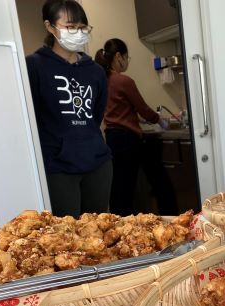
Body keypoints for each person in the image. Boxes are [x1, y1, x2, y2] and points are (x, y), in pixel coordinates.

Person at [26, 0, 111, 218]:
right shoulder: (34, 65)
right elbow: (31, 117)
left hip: (97, 162)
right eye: (70, 27)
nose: (78, 33)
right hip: (58, 166)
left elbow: (95, 115)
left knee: (97, 230)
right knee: (66, 233)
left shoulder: (96, 71)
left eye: (82, 27)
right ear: (50, 26)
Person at [95, 38, 170, 216]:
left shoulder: (102, 80)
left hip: (112, 138)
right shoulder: (123, 81)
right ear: (118, 56)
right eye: (127, 57)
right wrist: (160, 121)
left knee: (119, 186)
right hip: (127, 140)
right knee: (129, 186)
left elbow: (117, 110)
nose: (127, 62)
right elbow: (142, 108)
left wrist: (137, 120)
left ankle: (118, 221)